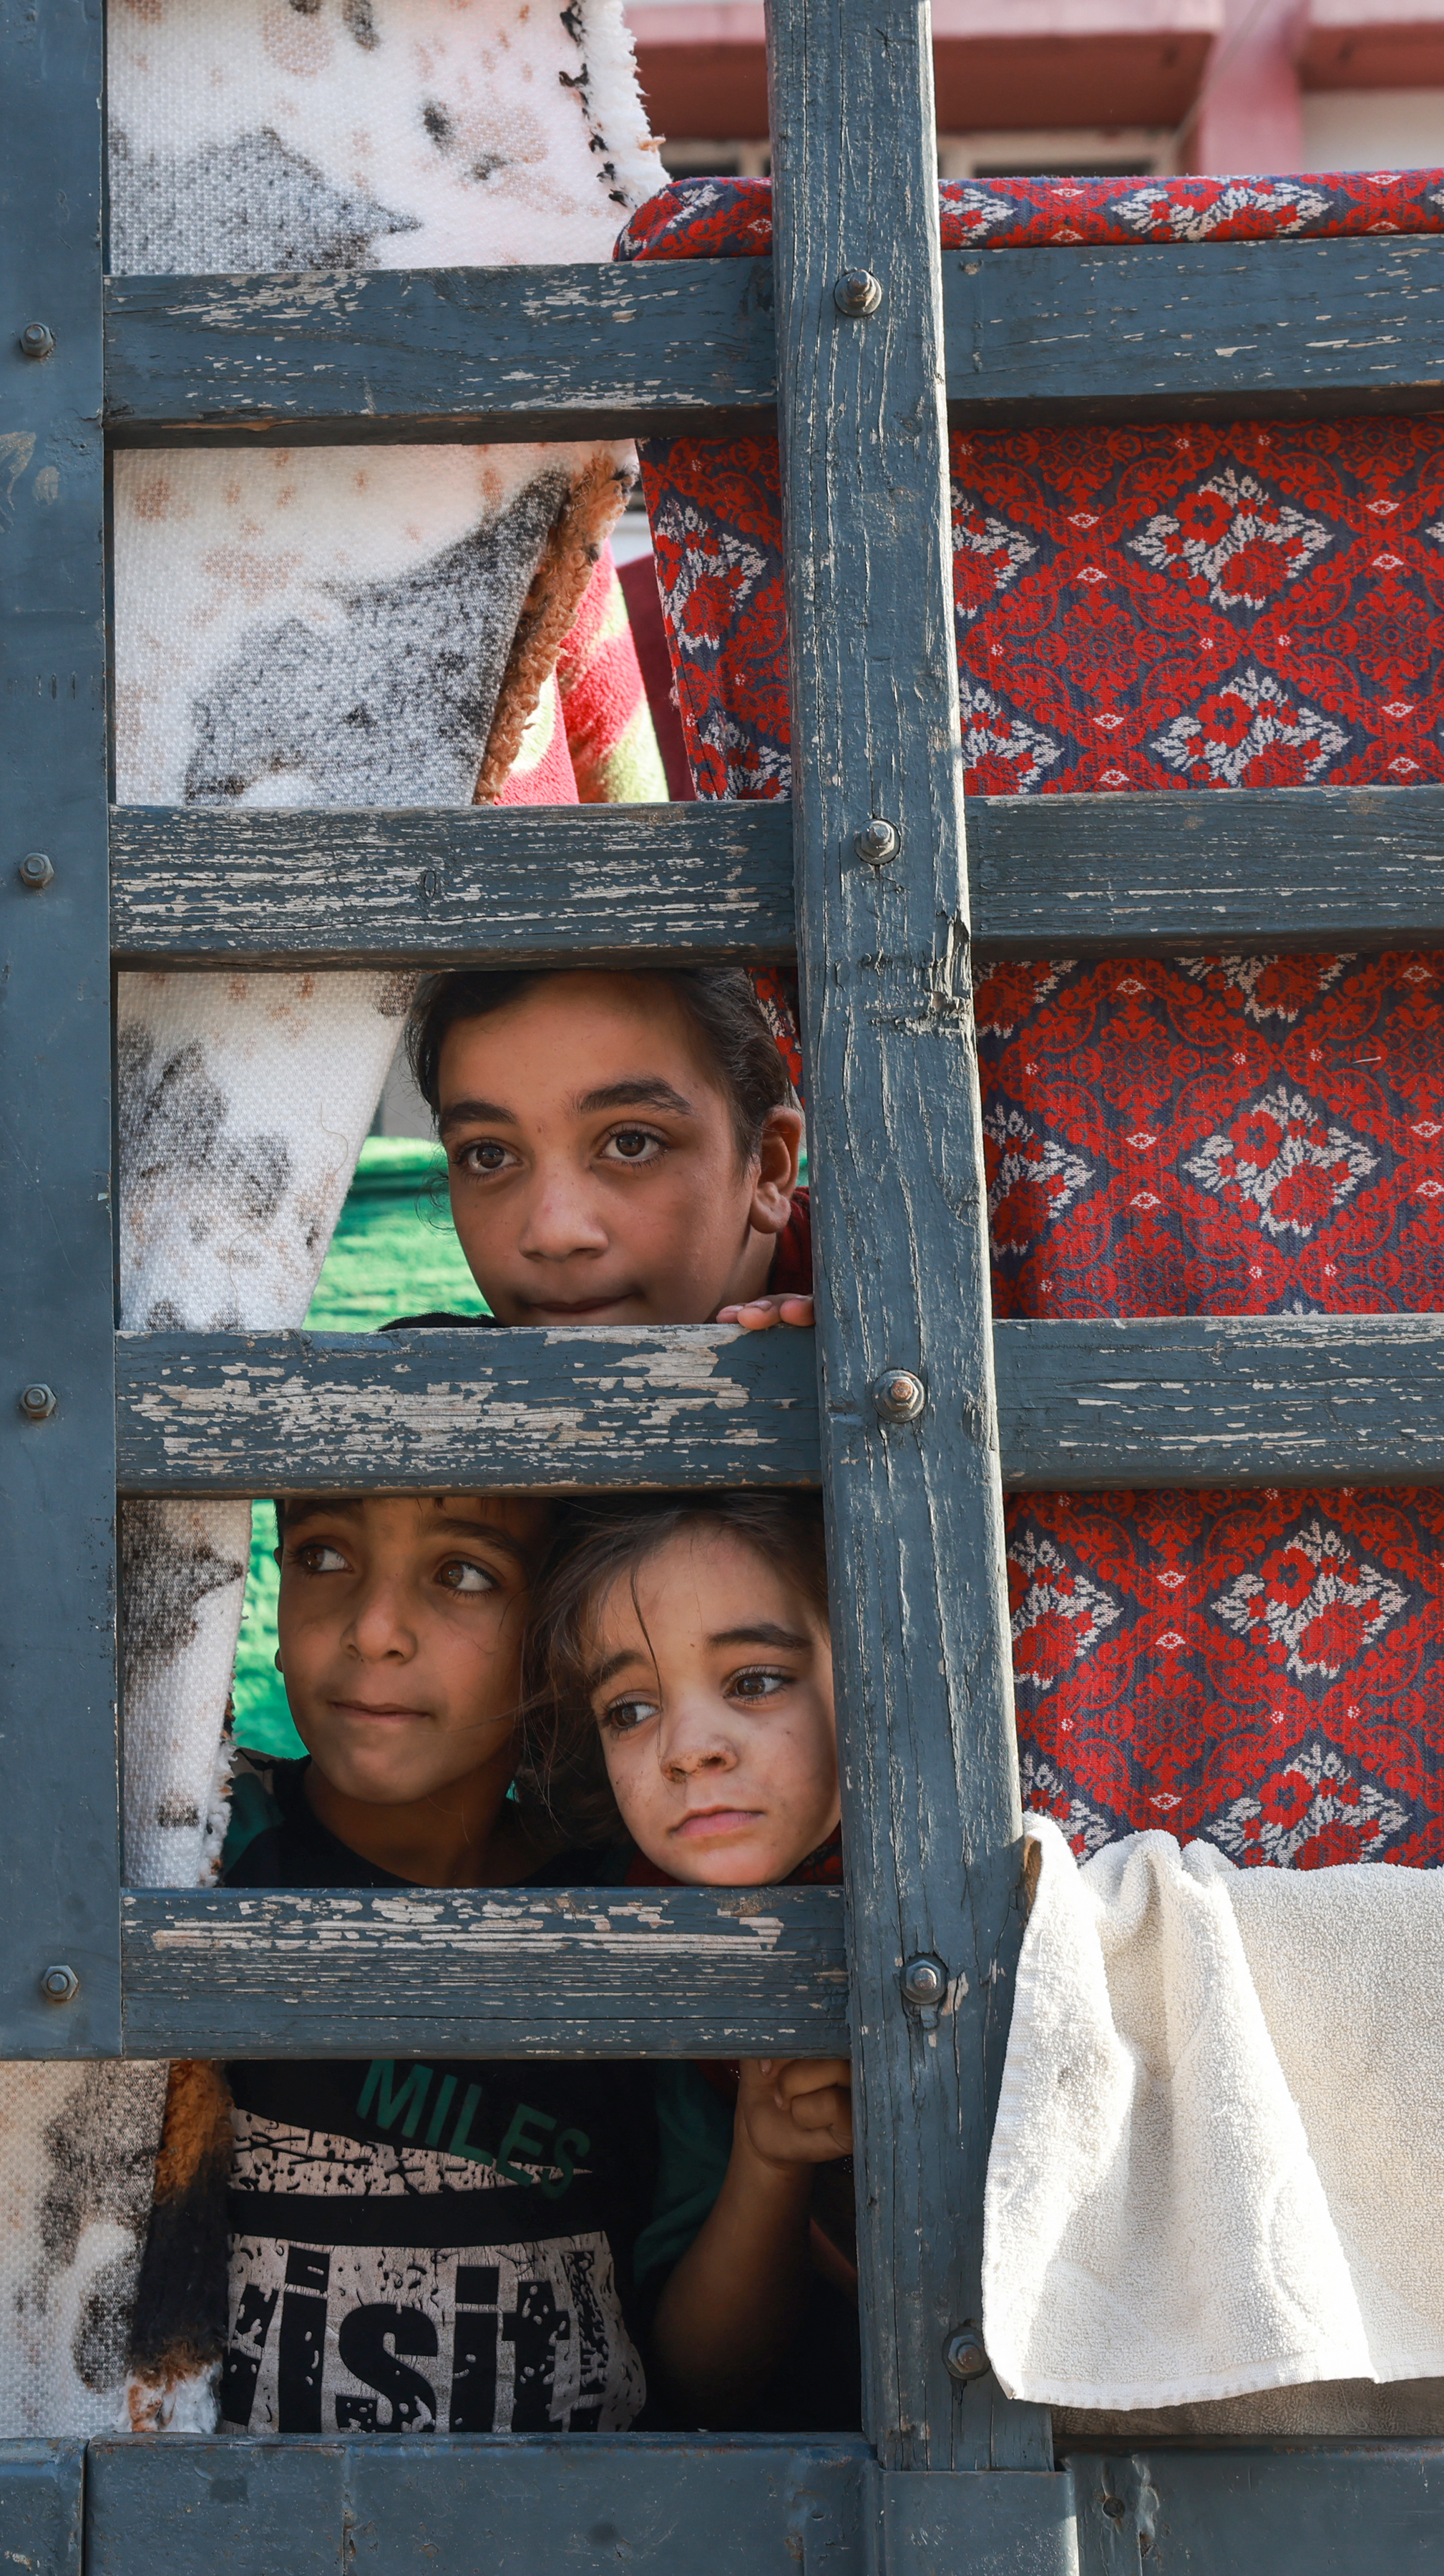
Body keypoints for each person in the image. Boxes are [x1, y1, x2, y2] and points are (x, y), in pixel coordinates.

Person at [140, 1329, 666, 2434]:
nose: (372, 1631)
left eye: (462, 1574)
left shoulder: (636, 1899)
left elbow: (704, 2359)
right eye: (323, 1558)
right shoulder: (198, 1848)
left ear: (557, 1634)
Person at [527, 1491, 859, 2431]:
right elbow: (699, 2378)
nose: (684, 1750)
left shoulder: (1005, 1855)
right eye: (629, 1708)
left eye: (753, 1680)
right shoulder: (649, 1940)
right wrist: (764, 2155)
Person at [406, 968, 816, 1336]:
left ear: (767, 1170)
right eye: (489, 1156)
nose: (555, 1236)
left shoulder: (872, 1290)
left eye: (631, 1144)